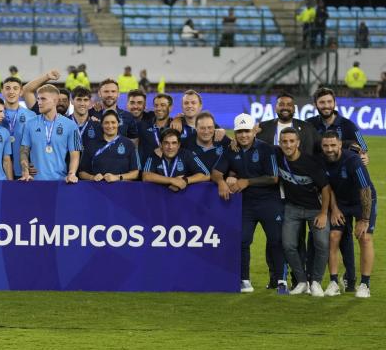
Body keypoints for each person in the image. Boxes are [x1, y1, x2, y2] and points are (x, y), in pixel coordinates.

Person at [213, 113, 283, 293]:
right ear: (235, 133)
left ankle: (280, 280)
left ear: (253, 131)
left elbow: (273, 178)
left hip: (269, 202)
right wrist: (221, 181)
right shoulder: (231, 150)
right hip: (247, 204)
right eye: (239, 132)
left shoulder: (267, 149)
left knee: (276, 240)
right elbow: (216, 171)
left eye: (246, 131)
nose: (243, 135)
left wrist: (246, 182)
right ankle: (244, 280)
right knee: (242, 241)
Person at [277, 127, 332, 297]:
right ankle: (301, 281)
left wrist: (323, 213)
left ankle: (316, 282)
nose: (288, 145)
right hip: (292, 208)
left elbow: (325, 188)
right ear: (279, 143)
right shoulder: (277, 155)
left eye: (292, 141)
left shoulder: (311, 163)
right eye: (284, 141)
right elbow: (253, 142)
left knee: (322, 244)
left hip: (315, 209)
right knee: (288, 245)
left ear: (298, 143)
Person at [321, 131, 376, 298]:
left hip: (362, 201)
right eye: (325, 146)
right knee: (333, 237)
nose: (329, 149)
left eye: (333, 145)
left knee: (364, 237)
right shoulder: (321, 161)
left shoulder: (353, 160)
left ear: (339, 145)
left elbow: (365, 190)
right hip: (341, 203)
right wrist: (335, 208)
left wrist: (364, 219)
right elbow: (327, 187)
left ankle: (365, 285)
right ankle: (333, 282)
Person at [19, 84, 81, 182]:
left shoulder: (70, 125)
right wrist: (25, 171)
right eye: (38, 99)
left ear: (55, 101)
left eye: (43, 99)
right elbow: (24, 151)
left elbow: (75, 154)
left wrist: (72, 174)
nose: (39, 102)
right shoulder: (29, 124)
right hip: (35, 181)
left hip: (61, 182)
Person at [306, 87, 368, 161]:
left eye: (329, 102)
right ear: (315, 105)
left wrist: (364, 156)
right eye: (322, 102)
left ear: (335, 103)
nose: (326, 106)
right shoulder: (308, 124)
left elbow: (363, 148)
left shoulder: (348, 125)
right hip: (317, 169)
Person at [78, 110, 140, 183]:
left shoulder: (128, 144)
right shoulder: (91, 144)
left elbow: (135, 173)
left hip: (122, 189)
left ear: (118, 123)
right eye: (106, 123)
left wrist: (117, 177)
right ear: (101, 125)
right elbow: (81, 173)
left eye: (113, 122)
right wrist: (92, 177)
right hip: (97, 189)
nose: (110, 126)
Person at [142, 128, 209, 191]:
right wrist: (172, 180)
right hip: (159, 198)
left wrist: (185, 180)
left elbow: (206, 175)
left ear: (179, 145)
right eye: (166, 143)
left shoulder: (187, 155)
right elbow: (146, 176)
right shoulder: (154, 155)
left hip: (183, 198)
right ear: (160, 145)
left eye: (174, 143)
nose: (170, 147)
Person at [256, 92, 322, 155]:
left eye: (289, 105)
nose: (285, 107)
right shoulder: (263, 127)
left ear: (294, 109)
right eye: (281, 104)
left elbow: (319, 148)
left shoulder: (307, 128)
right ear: (275, 108)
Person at [0, 77, 37, 180]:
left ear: (21, 92)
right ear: (2, 91)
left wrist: (35, 163)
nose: (11, 92)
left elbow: (36, 143)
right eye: (7, 88)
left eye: (15, 88)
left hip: (24, 171)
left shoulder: (31, 116)